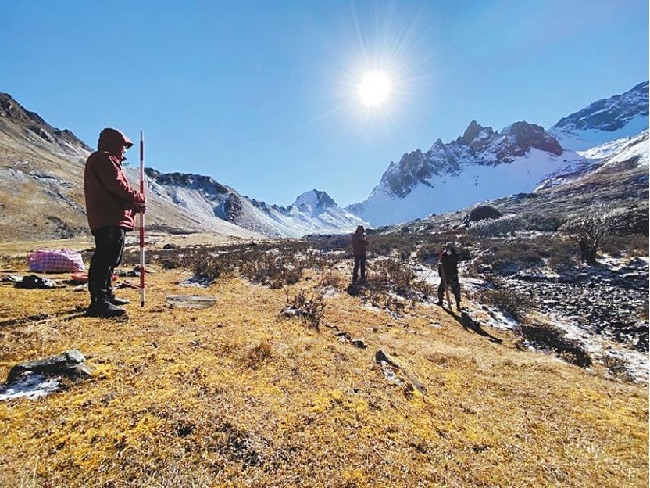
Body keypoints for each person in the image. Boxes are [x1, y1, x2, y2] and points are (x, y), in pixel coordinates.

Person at [84, 128, 146, 318]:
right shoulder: (104, 160)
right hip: (109, 218)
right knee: (105, 258)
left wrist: (134, 207)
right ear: (113, 144)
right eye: (123, 146)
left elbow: (113, 193)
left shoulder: (105, 161)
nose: (125, 151)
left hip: (112, 217)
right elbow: (116, 186)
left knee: (110, 258)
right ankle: (99, 302)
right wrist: (137, 197)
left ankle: (106, 296)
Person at [437, 241, 461, 311]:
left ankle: (458, 305)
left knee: (456, 290)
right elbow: (441, 263)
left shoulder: (452, 255)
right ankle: (441, 301)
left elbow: (450, 259)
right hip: (447, 275)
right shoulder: (448, 254)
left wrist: (443, 255)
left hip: (450, 276)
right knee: (442, 289)